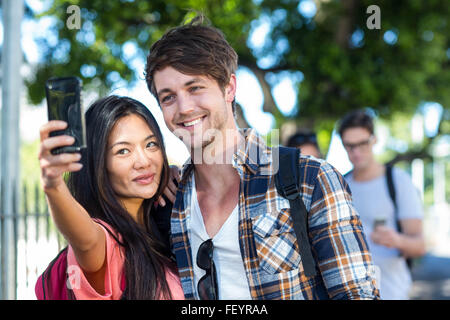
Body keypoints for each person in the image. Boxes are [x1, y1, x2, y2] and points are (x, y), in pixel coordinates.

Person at [144, 15, 379, 300]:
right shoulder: (170, 199)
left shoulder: (310, 178)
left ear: (229, 88)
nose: (183, 108)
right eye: (168, 97)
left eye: (195, 88)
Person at [38, 95, 184, 299]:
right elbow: (86, 241)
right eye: (123, 151)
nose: (144, 161)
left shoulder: (164, 225)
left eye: (151, 145)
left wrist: (176, 174)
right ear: (98, 164)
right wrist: (53, 185)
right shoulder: (106, 244)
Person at [338, 109, 426, 300]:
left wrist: (397, 240)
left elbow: (420, 245)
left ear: (374, 140)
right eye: (349, 146)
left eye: (362, 144)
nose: (356, 152)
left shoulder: (398, 181)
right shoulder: (339, 186)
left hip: (392, 292)